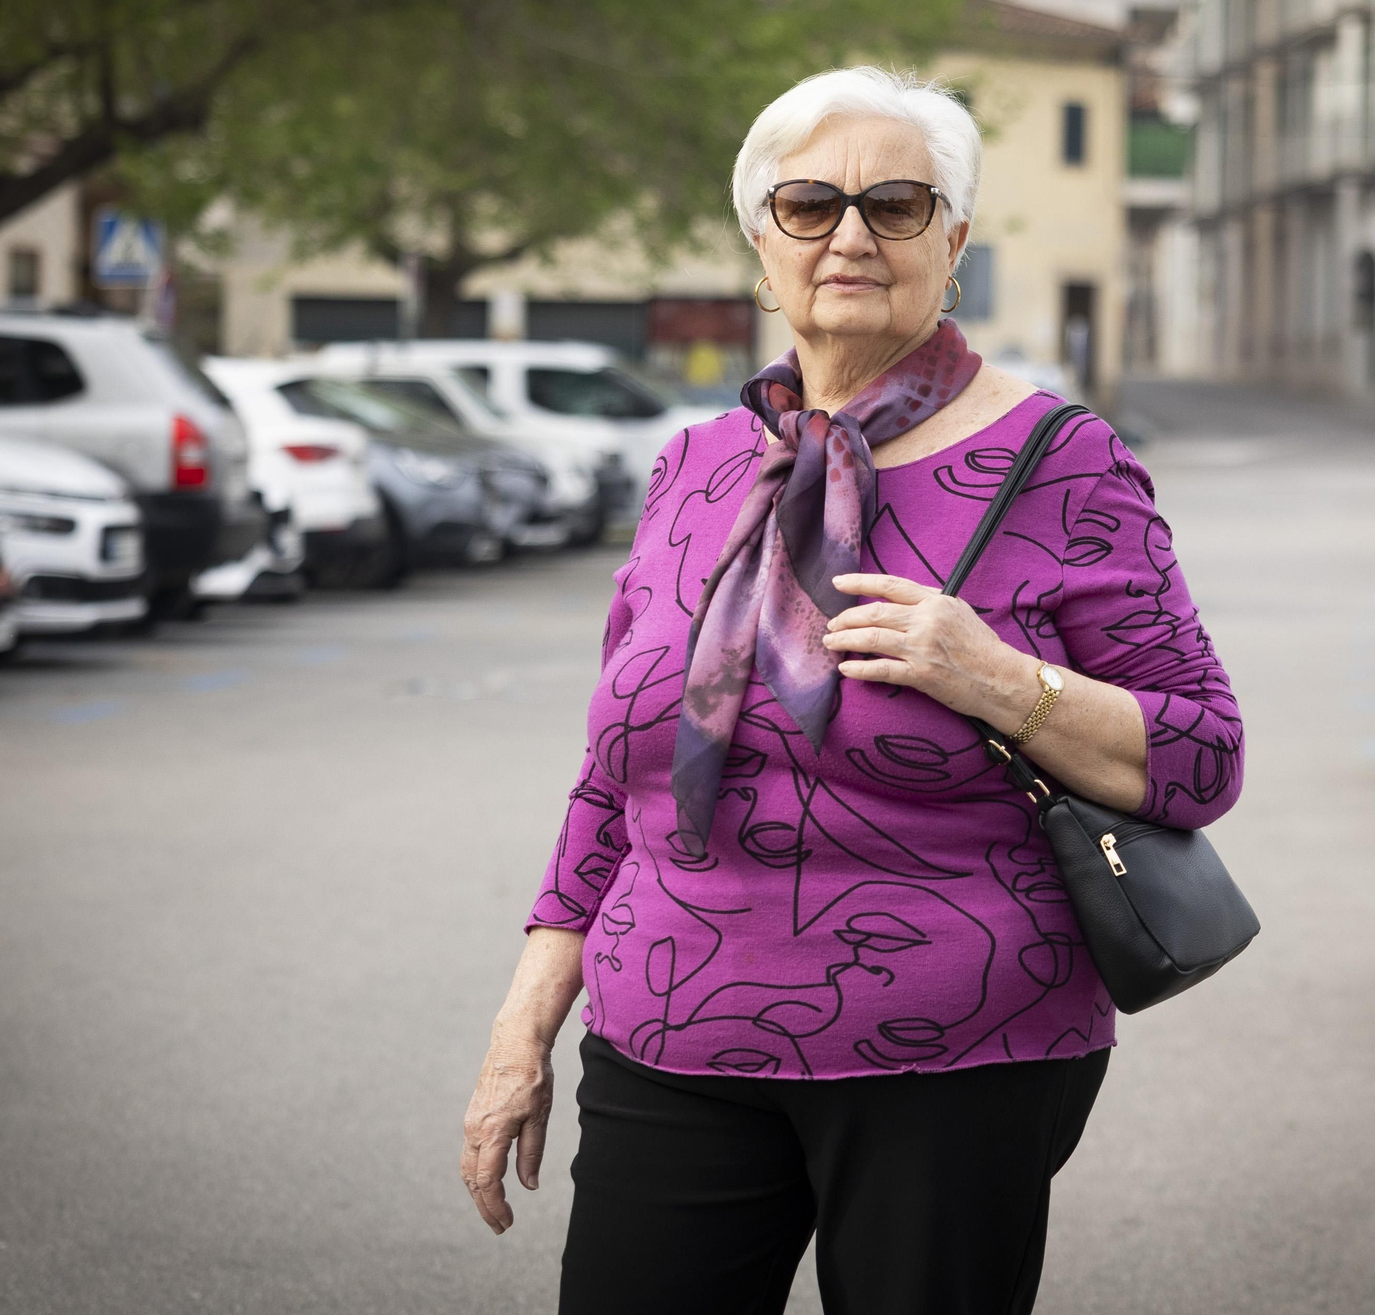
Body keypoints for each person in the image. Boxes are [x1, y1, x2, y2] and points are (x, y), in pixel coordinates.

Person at [462, 66, 1245, 1315]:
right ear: (759, 245)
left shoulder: (1060, 462)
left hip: (957, 1054)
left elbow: (1201, 760)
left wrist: (991, 674)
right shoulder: (696, 466)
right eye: (808, 204)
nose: (848, 236)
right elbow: (614, 782)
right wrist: (522, 1031)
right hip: (668, 1036)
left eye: (893, 204)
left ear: (953, 242)